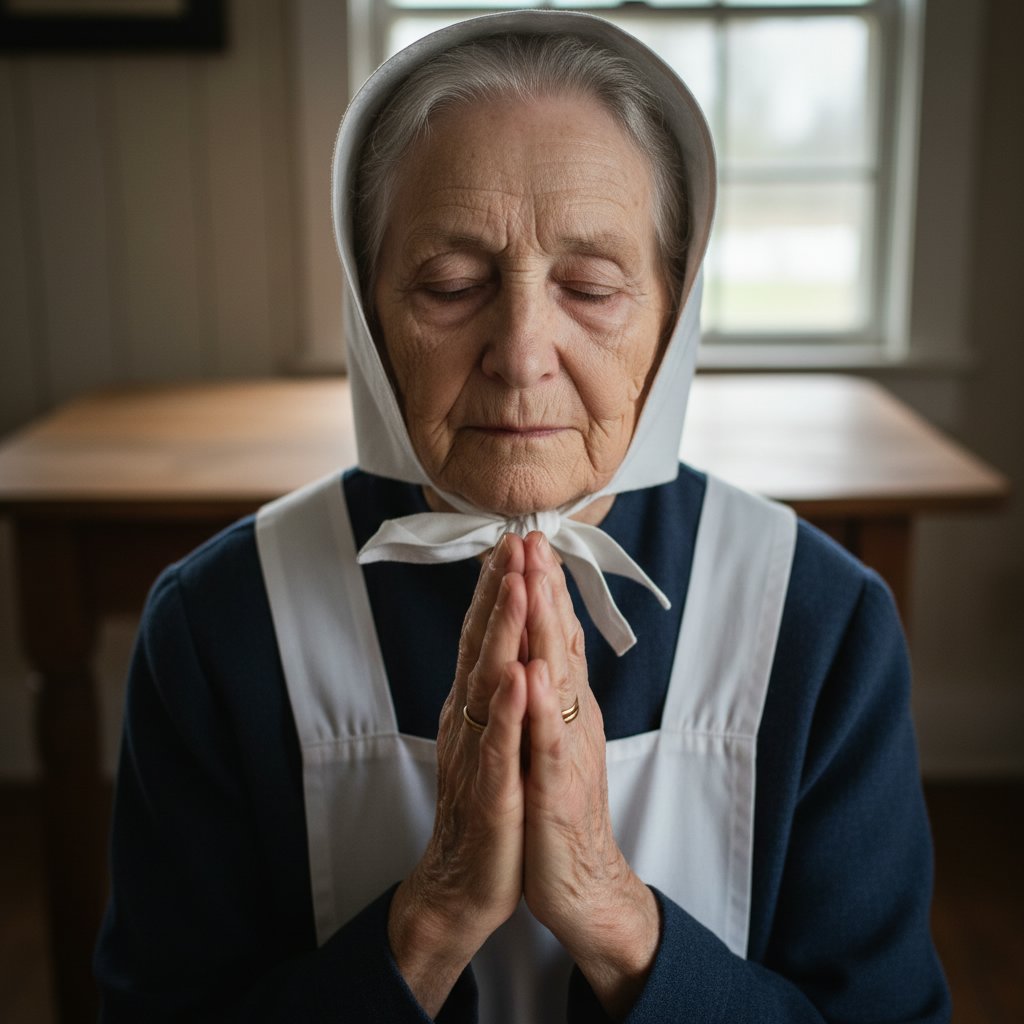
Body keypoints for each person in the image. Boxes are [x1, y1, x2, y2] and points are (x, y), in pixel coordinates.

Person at [94, 10, 950, 1023]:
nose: (521, 349)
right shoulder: (217, 625)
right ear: (369, 312)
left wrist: (615, 915)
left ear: (673, 313)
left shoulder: (819, 622)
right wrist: (431, 919)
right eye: (451, 284)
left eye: (589, 286)